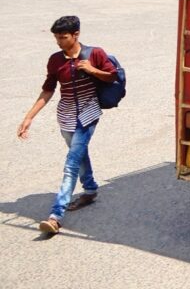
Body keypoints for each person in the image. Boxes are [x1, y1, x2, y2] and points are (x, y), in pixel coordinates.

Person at [17, 15, 117, 234]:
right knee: (78, 153)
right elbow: (48, 89)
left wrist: (93, 70)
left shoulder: (95, 53)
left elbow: (112, 77)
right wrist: (29, 117)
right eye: (56, 37)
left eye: (63, 37)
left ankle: (55, 216)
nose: (59, 41)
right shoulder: (55, 60)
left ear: (76, 34)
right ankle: (90, 189)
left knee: (71, 163)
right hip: (66, 116)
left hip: (88, 115)